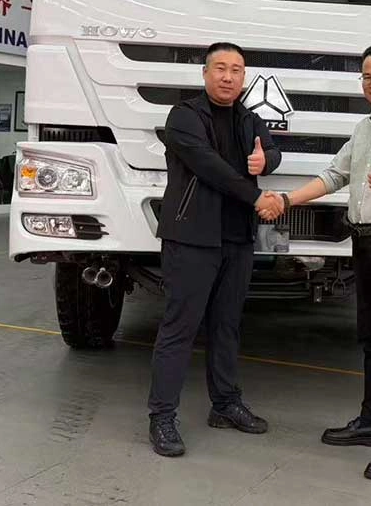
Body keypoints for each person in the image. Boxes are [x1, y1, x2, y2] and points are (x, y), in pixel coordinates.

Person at [260, 43, 371, 480]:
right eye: (367, 77)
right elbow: (334, 175)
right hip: (365, 244)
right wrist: (286, 200)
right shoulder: (363, 129)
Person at [148, 42, 283, 457]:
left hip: (237, 239)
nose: (228, 76)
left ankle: (224, 404)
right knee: (180, 327)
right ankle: (162, 416)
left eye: (236, 70)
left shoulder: (249, 117)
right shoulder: (184, 116)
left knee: (227, 325)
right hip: (192, 237)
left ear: (244, 77)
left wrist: (267, 161)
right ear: (205, 73)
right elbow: (210, 167)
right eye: (220, 68)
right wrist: (256, 195)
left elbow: (272, 148)